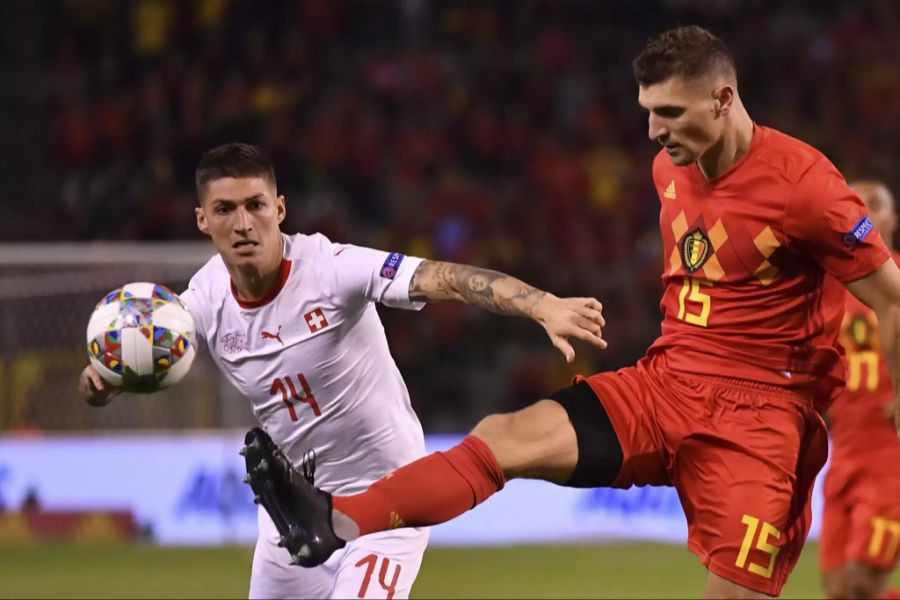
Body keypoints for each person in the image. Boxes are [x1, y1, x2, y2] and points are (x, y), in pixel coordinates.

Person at [269, 26, 900, 599]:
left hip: (761, 418)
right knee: (503, 436)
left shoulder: (806, 187)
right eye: (649, 113)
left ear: (723, 99)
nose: (655, 131)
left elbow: (892, 300)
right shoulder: (668, 169)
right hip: (668, 382)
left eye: (671, 113)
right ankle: (336, 520)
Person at [77, 143, 607, 599]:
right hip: (294, 509)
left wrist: (541, 305)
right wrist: (100, 384)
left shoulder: (333, 269)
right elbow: (131, 359)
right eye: (225, 209)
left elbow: (443, 277)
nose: (243, 223)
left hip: (388, 499)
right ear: (202, 219)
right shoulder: (200, 303)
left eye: (256, 205)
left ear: (279, 208)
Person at [819, 180, 900, 600]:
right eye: (856, 207)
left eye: (874, 207)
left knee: (862, 585)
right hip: (842, 453)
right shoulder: (824, 286)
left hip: (891, 457)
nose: (864, 216)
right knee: (837, 591)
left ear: (892, 220)